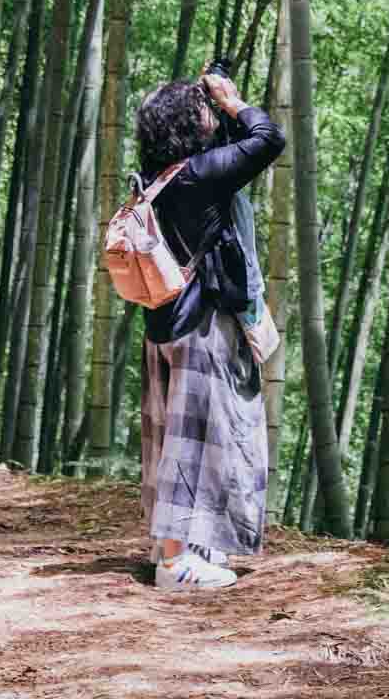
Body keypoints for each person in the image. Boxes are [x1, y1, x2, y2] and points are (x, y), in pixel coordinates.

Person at [135, 67, 286, 592]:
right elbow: (267, 139)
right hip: (201, 326)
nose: (210, 113)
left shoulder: (160, 177)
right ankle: (175, 564)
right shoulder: (200, 176)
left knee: (176, 435)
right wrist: (233, 99)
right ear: (187, 124)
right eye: (200, 108)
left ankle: (179, 545)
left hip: (167, 322)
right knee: (193, 440)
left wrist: (218, 110)